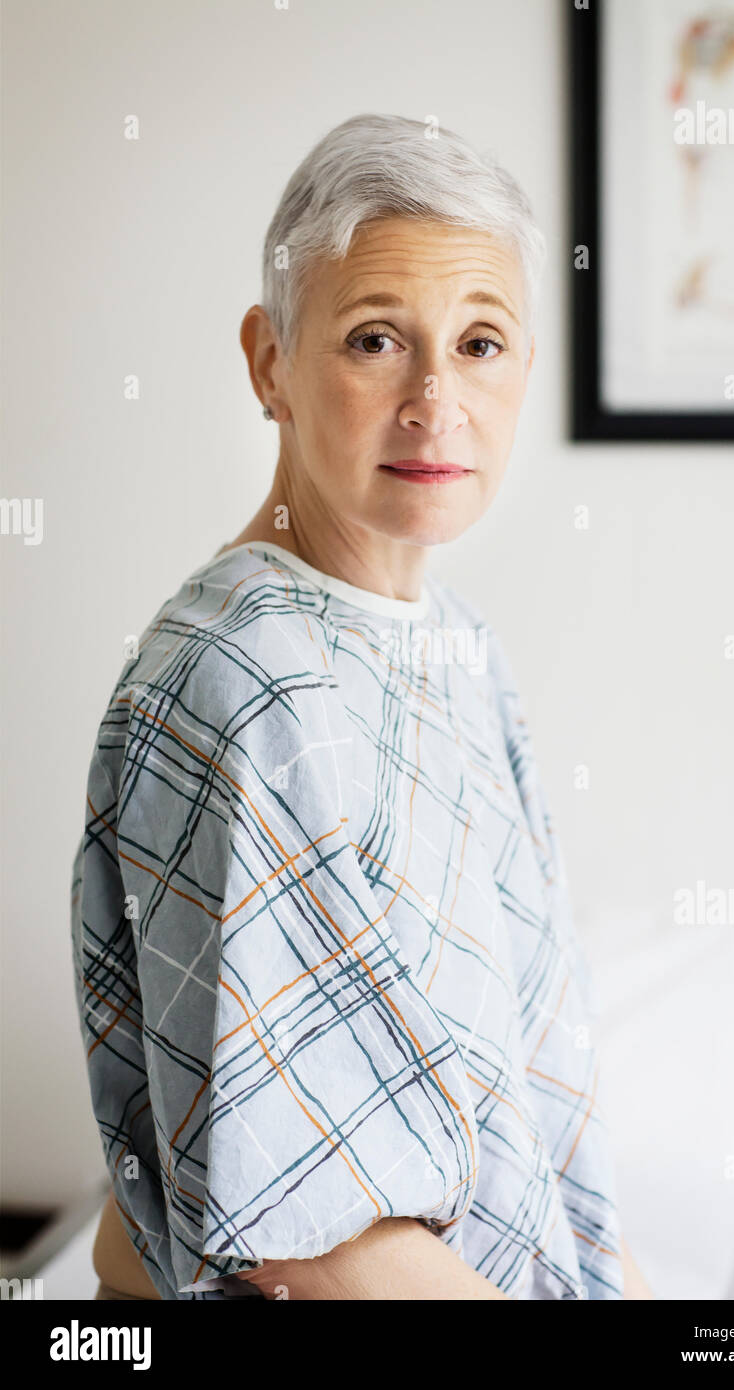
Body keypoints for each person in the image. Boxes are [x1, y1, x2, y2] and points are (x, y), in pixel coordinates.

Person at [71, 113, 653, 1302]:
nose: (437, 401)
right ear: (269, 361)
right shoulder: (238, 677)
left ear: (526, 368)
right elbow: (301, 1222)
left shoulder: (462, 650)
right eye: (376, 339)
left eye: (480, 343)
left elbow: (539, 1115)